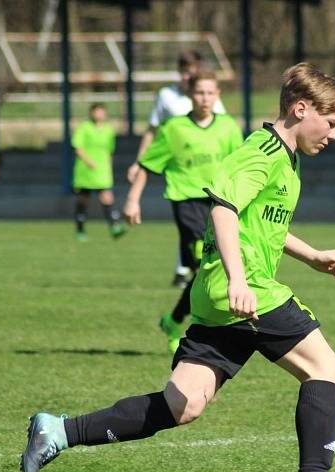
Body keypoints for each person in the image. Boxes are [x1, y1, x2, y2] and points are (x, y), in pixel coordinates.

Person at [20, 63, 335, 472]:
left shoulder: (286, 159)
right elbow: (224, 210)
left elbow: (264, 224)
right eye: (331, 124)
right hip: (247, 291)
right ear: (301, 108)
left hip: (223, 297)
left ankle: (58, 431)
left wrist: (311, 256)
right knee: (326, 368)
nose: (333, 135)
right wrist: (239, 279)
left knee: (182, 404)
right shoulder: (263, 151)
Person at [123, 71, 243, 353]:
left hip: (220, 205)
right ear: (190, 94)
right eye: (200, 92)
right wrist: (132, 199)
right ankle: (200, 333)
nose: (205, 98)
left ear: (218, 96)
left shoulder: (228, 128)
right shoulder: (173, 128)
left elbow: (239, 169)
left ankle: (174, 321)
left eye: (210, 93)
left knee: (206, 270)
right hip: (187, 203)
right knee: (208, 262)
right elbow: (148, 165)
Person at [126, 50, 226, 289]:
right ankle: (189, 274)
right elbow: (153, 133)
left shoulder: (223, 121)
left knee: (207, 256)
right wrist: (138, 163)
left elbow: (224, 142)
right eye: (185, 73)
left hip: (212, 189)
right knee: (202, 249)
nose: (204, 98)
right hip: (182, 183)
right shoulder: (169, 105)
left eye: (209, 93)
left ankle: (175, 315)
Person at [71, 103, 125, 242]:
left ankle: (114, 226)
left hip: (102, 170)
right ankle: (80, 229)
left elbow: (110, 151)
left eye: (102, 112)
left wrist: (109, 167)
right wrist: (89, 161)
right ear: (91, 113)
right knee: (84, 200)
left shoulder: (109, 130)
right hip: (85, 170)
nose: (99, 114)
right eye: (97, 111)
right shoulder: (85, 127)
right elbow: (77, 147)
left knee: (107, 197)